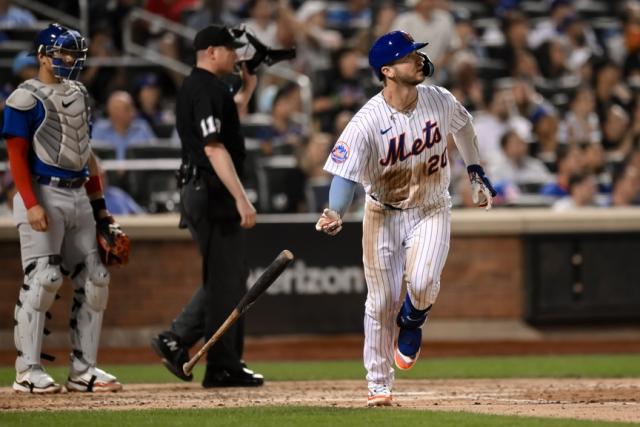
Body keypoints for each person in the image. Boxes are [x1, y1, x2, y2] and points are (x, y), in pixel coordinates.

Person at [314, 30, 496, 407]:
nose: (417, 59)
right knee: (380, 303)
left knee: (425, 280)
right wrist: (335, 210)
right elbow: (344, 175)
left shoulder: (439, 99)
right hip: (383, 214)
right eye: (407, 56)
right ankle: (379, 385)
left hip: (432, 207)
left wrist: (475, 169)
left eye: (416, 53)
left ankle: (412, 323)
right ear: (387, 71)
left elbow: (463, 126)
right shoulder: (366, 121)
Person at [2, 23, 123, 393]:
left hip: (78, 194)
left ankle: (84, 368)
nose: (70, 60)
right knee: (44, 279)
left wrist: (101, 207)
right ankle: (27, 370)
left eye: (73, 54)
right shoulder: (24, 98)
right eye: (63, 54)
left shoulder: (80, 93)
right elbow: (16, 156)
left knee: (96, 276)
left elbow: (86, 154)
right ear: (42, 56)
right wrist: (31, 202)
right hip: (43, 192)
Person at [150, 24, 263, 388]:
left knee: (228, 276)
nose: (235, 57)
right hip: (211, 192)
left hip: (201, 189)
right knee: (226, 280)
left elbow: (224, 123)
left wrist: (247, 89)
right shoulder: (208, 87)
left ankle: (214, 357)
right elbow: (214, 146)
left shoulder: (199, 86)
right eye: (230, 50)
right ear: (212, 51)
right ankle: (199, 351)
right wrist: (241, 197)